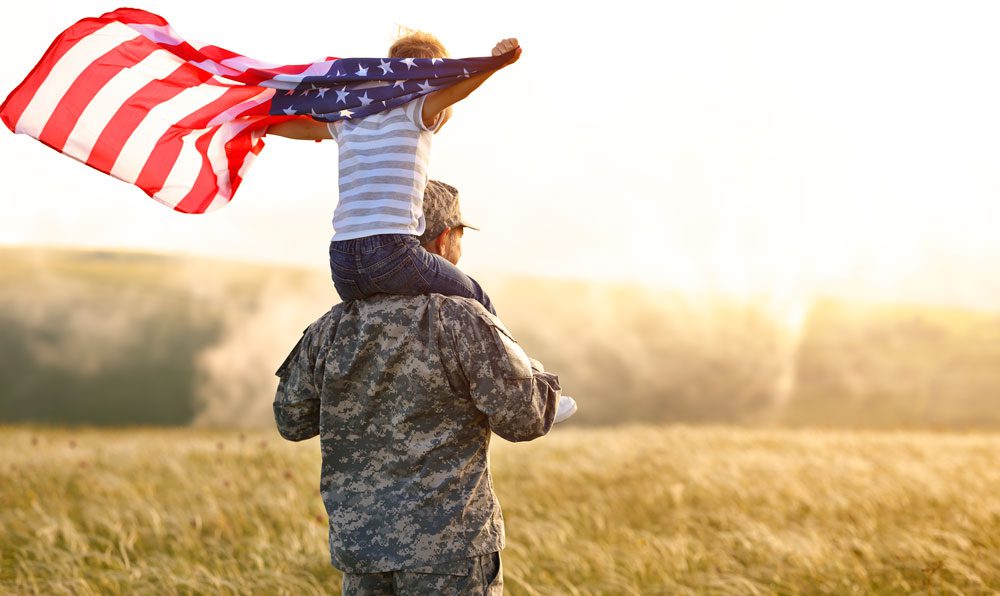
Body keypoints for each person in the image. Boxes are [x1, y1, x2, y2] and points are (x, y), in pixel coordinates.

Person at [272, 180, 574, 595]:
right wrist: (535, 375)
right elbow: (525, 420)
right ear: (444, 239)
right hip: (450, 554)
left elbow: (291, 420)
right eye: (460, 238)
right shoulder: (460, 318)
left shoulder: (330, 328)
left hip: (363, 554)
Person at [266, 31, 520, 315]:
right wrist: (495, 64)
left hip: (342, 265)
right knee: (478, 299)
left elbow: (302, 128)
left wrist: (255, 122)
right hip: (392, 254)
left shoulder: (351, 117)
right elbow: (455, 94)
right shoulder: (415, 109)